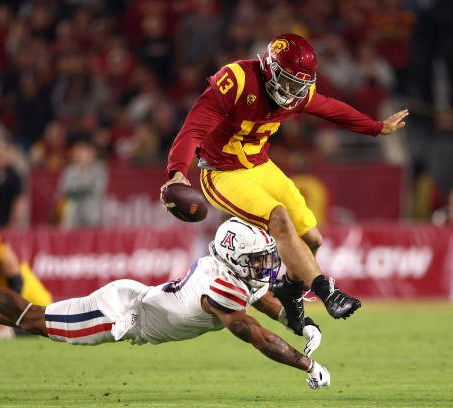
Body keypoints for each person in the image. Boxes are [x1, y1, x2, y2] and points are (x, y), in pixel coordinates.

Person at [160, 33, 409, 334]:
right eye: (287, 80)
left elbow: (330, 108)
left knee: (313, 238)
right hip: (222, 171)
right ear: (269, 67)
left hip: (260, 165)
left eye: (298, 84)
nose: (292, 90)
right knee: (278, 217)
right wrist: (177, 171)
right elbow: (193, 129)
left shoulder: (299, 90)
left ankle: (289, 290)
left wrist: (376, 127)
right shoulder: (237, 80)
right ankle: (325, 290)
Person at [0, 217, 330, 389]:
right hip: (124, 315)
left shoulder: (233, 273)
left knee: (37, 321)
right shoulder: (219, 285)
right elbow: (253, 333)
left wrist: (303, 324)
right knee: (36, 320)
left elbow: (265, 301)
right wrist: (307, 365)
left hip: (135, 306)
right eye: (258, 259)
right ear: (235, 257)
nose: (267, 265)